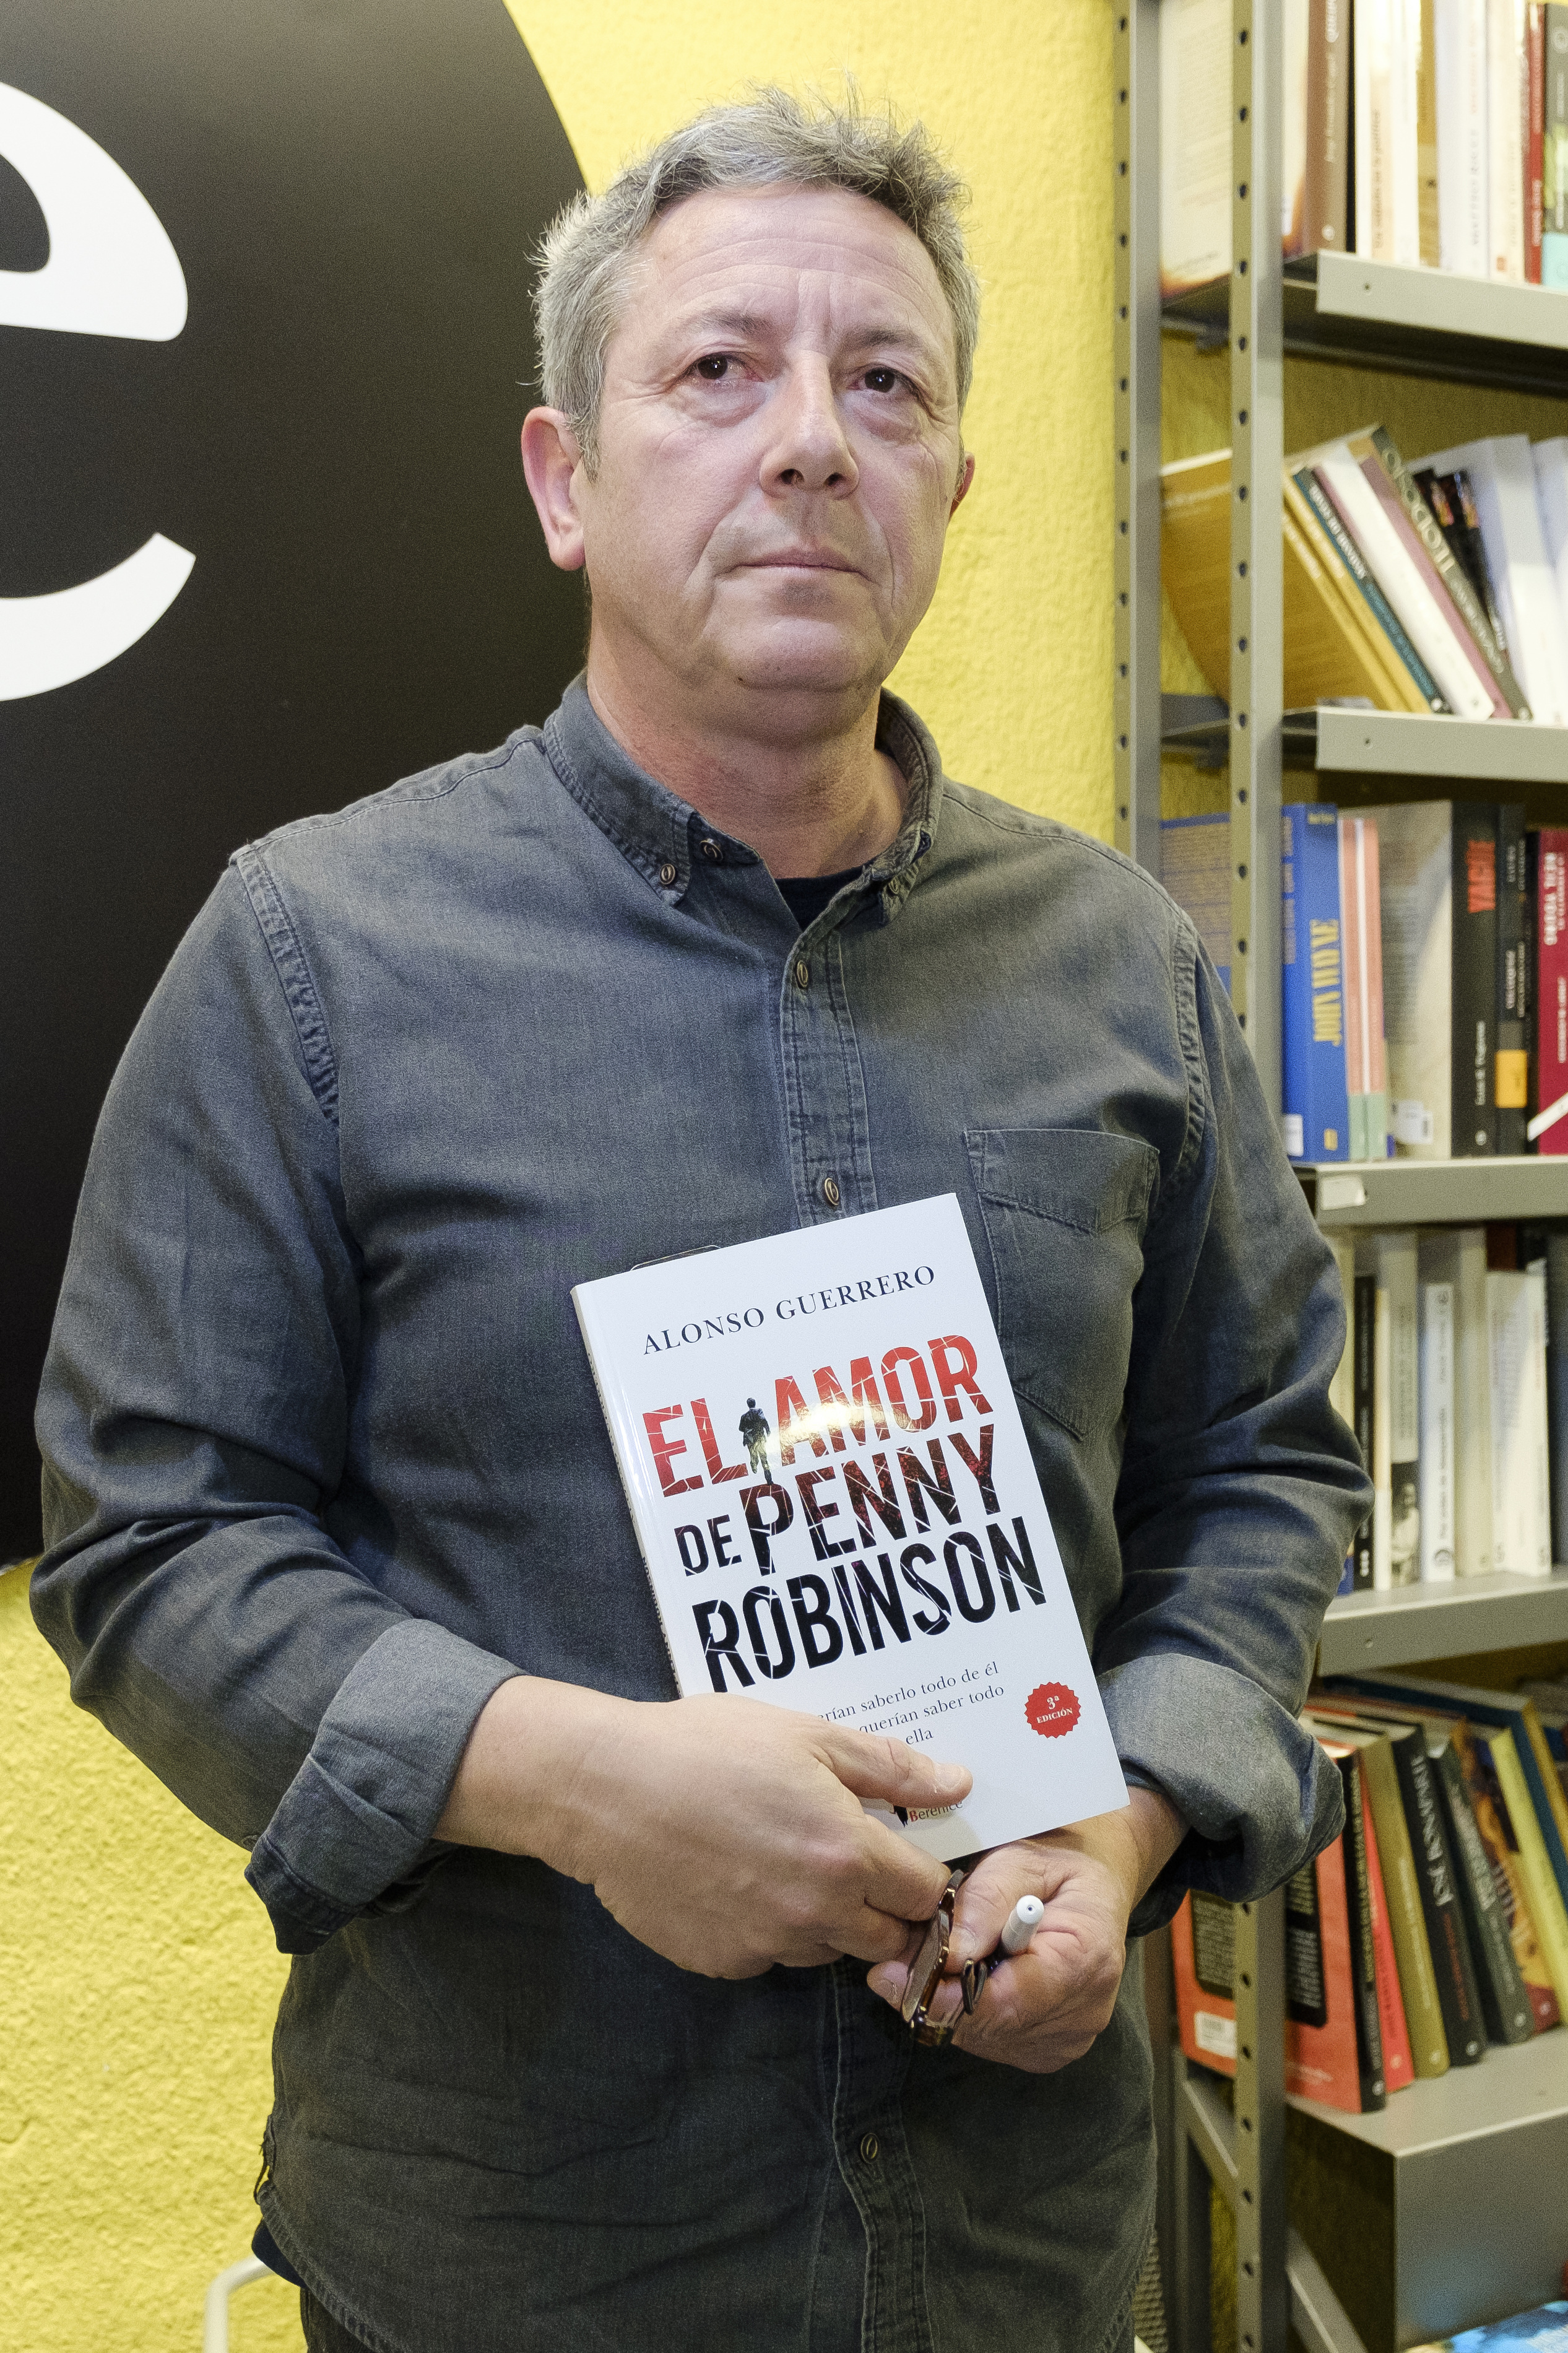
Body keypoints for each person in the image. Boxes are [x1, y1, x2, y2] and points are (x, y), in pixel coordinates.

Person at [32, 90, 1370, 2353]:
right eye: (718, 370)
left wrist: (1132, 1818)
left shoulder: (1129, 963)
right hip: (518, 2252)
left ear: (953, 485)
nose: (812, 442)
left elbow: (1261, 1470)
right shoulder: (307, 954)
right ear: (564, 477)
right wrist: (579, 1784)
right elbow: (149, 1537)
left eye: (888, 384)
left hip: (1023, 2242)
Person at [739, 1394, 774, 1479]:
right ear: (755, 1403)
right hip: (759, 1437)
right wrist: (768, 1430)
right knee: (763, 1456)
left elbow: (741, 1428)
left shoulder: (744, 1416)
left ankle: (754, 1465)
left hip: (750, 1439)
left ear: (748, 1405)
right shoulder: (759, 1411)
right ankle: (768, 1474)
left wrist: (749, 1429)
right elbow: (764, 1420)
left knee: (753, 1454)